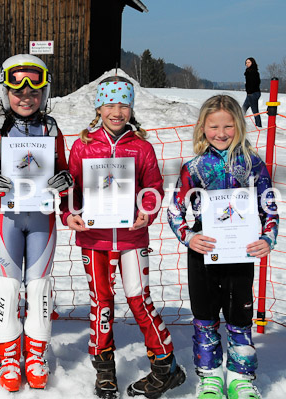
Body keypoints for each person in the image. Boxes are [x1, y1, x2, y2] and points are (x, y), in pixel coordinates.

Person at [62, 76, 186, 399]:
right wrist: (69, 214)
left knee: (138, 299)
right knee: (102, 303)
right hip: (94, 238)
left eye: (124, 104)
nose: (117, 111)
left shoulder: (141, 147)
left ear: (132, 107)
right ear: (98, 107)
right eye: (110, 104)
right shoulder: (84, 145)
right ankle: (104, 370)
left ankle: (165, 364)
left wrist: (147, 210)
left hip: (131, 238)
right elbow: (71, 189)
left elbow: (154, 187)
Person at [167, 94, 278, 399]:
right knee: (204, 315)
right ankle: (211, 376)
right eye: (214, 126)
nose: (221, 132)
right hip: (204, 249)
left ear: (239, 126)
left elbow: (268, 208)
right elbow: (175, 210)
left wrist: (268, 238)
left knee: (239, 315)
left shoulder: (253, 164)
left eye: (228, 126)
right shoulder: (193, 167)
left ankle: (241, 377)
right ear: (203, 127)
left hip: (240, 251)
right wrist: (189, 236)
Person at [0, 54, 73, 392]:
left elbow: (66, 168)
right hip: (8, 218)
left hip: (42, 218)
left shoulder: (52, 128)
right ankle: (7, 354)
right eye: (18, 91)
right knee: (7, 284)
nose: (26, 96)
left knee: (39, 285)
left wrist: (64, 180)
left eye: (34, 91)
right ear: (5, 92)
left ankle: (35, 353)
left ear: (44, 93)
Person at [242, 57, 262, 128]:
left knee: (255, 111)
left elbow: (256, 82)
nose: (247, 64)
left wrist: (250, 90)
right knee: (243, 110)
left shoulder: (253, 72)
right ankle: (239, 124)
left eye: (249, 62)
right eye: (246, 63)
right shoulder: (248, 72)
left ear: (252, 63)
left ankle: (259, 126)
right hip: (249, 94)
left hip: (253, 93)